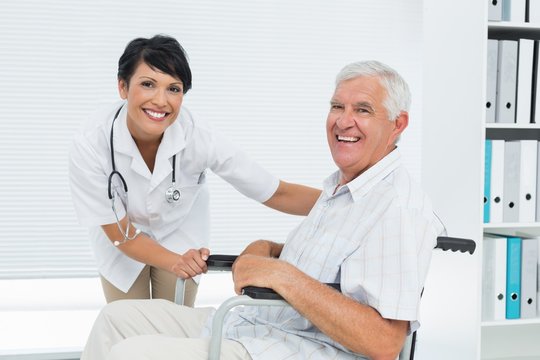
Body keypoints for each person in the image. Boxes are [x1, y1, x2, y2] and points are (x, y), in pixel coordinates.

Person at [80, 60, 446, 360]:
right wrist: (268, 249)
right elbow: (331, 259)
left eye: (362, 110)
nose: (343, 120)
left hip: (297, 347)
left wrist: (279, 273)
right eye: (337, 106)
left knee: (132, 353)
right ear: (123, 88)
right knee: (115, 320)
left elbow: (383, 343)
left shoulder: (396, 206)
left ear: (398, 124)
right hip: (260, 327)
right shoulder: (344, 188)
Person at [68, 34, 321, 306]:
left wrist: (348, 202)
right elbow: (122, 235)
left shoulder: (198, 136)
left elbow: (274, 191)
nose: (160, 101)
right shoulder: (91, 144)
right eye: (148, 84)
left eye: (173, 89)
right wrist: (175, 261)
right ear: (123, 87)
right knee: (128, 323)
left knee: (175, 327)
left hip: (179, 234)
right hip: (122, 240)